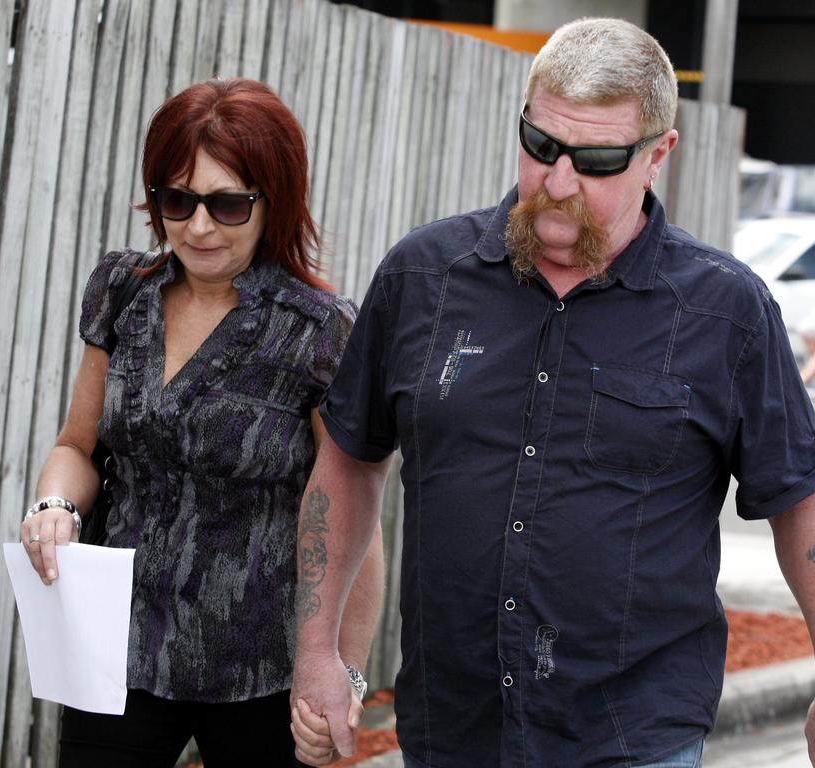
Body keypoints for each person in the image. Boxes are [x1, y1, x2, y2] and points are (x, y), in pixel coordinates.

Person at [290, 18, 815, 768]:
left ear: (657, 156)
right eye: (541, 148)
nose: (558, 185)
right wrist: (318, 650)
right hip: (453, 730)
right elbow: (347, 462)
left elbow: (800, 501)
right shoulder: (422, 280)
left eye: (596, 161)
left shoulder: (724, 312)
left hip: (633, 737)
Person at [20, 77, 384, 767]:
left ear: (273, 200)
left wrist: (342, 674)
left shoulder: (320, 333)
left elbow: (355, 519)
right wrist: (54, 503)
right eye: (177, 199)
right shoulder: (123, 291)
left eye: (227, 202)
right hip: (118, 653)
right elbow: (77, 443)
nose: (199, 226)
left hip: (262, 673)